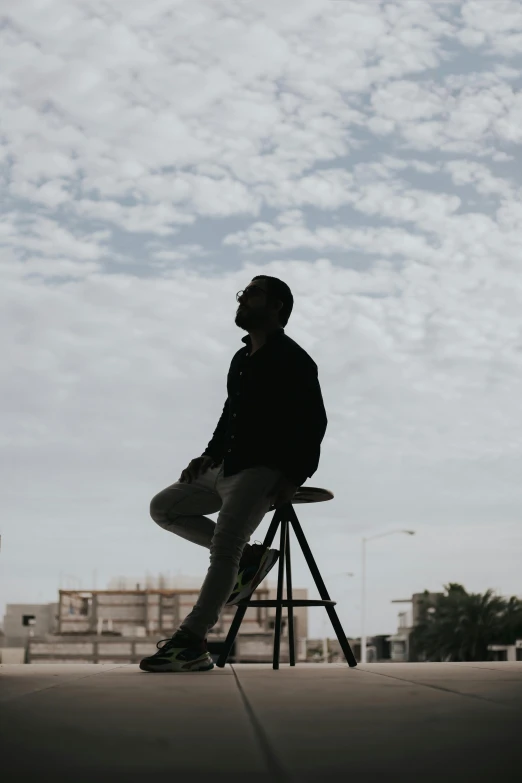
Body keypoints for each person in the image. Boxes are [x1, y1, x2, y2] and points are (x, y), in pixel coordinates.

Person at [140, 275, 328, 672]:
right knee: (165, 508)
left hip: (261, 470)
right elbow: (230, 415)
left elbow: (314, 422)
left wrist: (294, 476)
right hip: (223, 465)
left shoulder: (294, 359)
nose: (242, 299)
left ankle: (191, 643)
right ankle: (251, 559)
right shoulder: (241, 360)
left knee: (224, 549)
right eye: (242, 294)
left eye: (253, 293)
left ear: (277, 306)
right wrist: (207, 455)